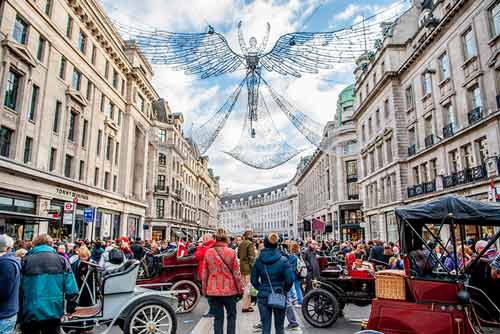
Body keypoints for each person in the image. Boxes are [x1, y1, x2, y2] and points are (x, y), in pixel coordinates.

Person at [20, 234, 78, 334]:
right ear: (51, 244)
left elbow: (19, 286)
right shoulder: (62, 260)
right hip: (53, 309)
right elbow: (71, 288)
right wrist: (70, 307)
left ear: (35, 244)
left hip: (30, 308)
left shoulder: (26, 260)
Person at [202, 228, 243, 334]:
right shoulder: (231, 252)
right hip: (230, 290)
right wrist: (240, 290)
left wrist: (204, 290)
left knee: (218, 319)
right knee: (231, 317)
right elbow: (236, 274)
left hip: (214, 290)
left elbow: (205, 274)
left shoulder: (209, 252)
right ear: (226, 238)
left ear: (215, 238)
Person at [251, 233, 293, 334]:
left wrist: (261, 288)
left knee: (265, 327)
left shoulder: (258, 260)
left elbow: (253, 280)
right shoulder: (283, 260)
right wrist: (285, 289)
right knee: (279, 327)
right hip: (279, 293)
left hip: (264, 295)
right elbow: (289, 280)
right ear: (277, 244)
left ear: (264, 244)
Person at [0, 235, 21, 334]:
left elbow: (3, 291)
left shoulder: (6, 263)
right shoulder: (9, 261)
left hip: (4, 314)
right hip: (7, 313)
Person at [194, 233, 216, 318]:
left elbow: (198, 256)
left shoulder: (208, 247)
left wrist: (200, 247)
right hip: (207, 272)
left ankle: (212, 311)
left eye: (203, 239)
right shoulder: (209, 246)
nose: (202, 240)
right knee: (209, 293)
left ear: (207, 239)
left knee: (209, 293)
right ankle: (213, 310)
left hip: (207, 272)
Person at [238, 230, 256, 313]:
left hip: (242, 267)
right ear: (249, 235)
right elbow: (252, 257)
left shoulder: (241, 243)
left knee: (246, 286)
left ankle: (248, 305)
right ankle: (245, 306)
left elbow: (238, 255)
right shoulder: (250, 243)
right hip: (248, 268)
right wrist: (254, 268)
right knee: (247, 288)